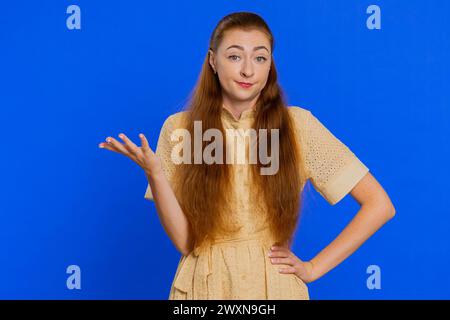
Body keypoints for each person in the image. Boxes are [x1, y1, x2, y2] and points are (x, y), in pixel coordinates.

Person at [98, 11, 396, 300]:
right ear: (213, 61)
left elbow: (379, 205)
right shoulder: (180, 129)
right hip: (203, 289)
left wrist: (313, 268)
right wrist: (156, 174)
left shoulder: (298, 126)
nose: (248, 71)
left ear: (270, 66)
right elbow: (186, 242)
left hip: (275, 289)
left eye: (260, 57)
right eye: (235, 56)